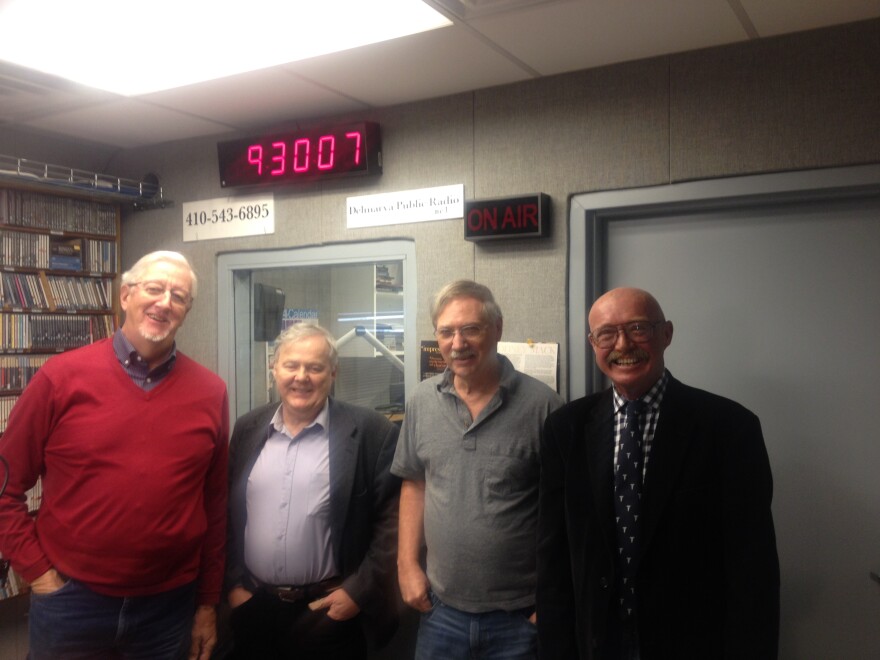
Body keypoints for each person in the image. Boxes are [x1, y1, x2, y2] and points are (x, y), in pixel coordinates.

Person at [0, 250, 229, 659]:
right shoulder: (60, 379)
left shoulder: (211, 392)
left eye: (178, 296)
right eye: (154, 289)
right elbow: (5, 487)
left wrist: (208, 603)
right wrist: (38, 573)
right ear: (126, 295)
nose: (165, 303)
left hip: (169, 608)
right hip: (71, 601)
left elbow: (214, 505)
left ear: (187, 311)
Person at [537, 286, 780, 659]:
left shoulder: (730, 428)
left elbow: (753, 568)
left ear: (666, 334)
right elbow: (554, 560)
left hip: (694, 646)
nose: (623, 345)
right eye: (607, 334)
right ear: (593, 344)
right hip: (597, 644)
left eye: (638, 328)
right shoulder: (565, 429)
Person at [392, 279, 564, 659]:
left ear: (497, 329)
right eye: (446, 332)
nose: (458, 343)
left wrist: (553, 597)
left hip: (519, 618)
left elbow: (567, 513)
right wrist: (406, 565)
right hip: (440, 611)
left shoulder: (545, 407)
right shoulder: (421, 402)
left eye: (471, 329)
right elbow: (415, 484)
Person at [224, 322, 401, 659]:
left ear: (333, 373)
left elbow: (392, 525)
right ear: (274, 368)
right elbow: (227, 514)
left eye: (315, 368)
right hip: (255, 608)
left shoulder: (372, 433)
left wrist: (357, 594)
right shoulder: (247, 428)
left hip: (328, 613)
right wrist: (234, 585)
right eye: (291, 365)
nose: (301, 377)